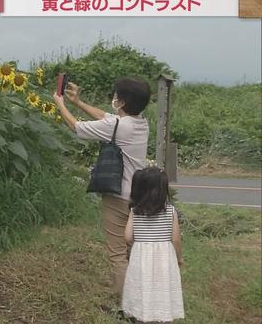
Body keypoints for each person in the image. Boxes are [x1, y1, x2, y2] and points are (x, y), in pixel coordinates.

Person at [53, 77, 151, 301]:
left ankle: (123, 304)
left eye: (116, 95)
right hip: (138, 195)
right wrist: (78, 102)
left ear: (122, 102)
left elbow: (75, 127)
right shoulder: (140, 124)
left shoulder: (118, 126)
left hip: (118, 198)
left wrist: (60, 103)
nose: (113, 98)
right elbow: (107, 118)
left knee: (117, 252)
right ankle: (139, 296)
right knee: (131, 249)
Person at [123, 167, 184, 323]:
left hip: (141, 258)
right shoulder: (171, 211)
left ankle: (142, 317)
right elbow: (176, 240)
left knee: (142, 287)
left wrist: (135, 246)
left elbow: (128, 237)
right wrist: (179, 258)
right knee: (163, 289)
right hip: (165, 259)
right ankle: (163, 317)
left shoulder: (135, 211)